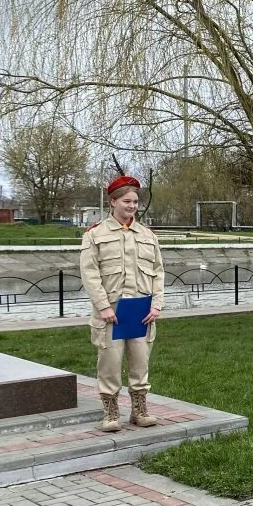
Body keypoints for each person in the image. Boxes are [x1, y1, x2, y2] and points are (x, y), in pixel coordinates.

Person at [80, 174, 165, 432]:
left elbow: (158, 271)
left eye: (135, 202)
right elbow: (90, 273)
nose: (132, 206)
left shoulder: (147, 235)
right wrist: (103, 305)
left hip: (141, 311)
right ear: (113, 202)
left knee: (140, 363)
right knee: (109, 363)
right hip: (111, 312)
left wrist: (156, 305)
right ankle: (110, 411)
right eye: (127, 201)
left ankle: (139, 409)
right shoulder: (95, 235)